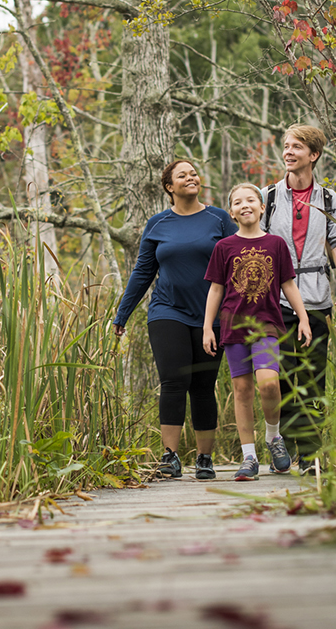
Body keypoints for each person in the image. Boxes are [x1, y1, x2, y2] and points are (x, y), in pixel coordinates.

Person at [113, 159, 236, 481]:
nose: (191, 177)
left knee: (203, 385)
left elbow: (240, 258)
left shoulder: (219, 219)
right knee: (172, 379)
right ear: (169, 187)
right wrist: (122, 313)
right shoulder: (158, 224)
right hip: (167, 310)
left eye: (194, 173)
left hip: (211, 316)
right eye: (183, 175)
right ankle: (170, 456)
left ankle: (204, 458)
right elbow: (142, 272)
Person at [202, 183, 311, 481]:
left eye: (251, 200)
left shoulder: (276, 244)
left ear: (263, 207)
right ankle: (248, 456)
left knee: (269, 385)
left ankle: (273, 437)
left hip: (266, 325)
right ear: (232, 211)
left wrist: (303, 319)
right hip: (233, 326)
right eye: (238, 202)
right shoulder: (224, 247)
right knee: (242, 390)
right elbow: (216, 289)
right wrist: (206, 328)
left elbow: (289, 284)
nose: (245, 205)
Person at [261, 124, 336, 476]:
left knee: (313, 378)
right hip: (276, 300)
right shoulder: (268, 197)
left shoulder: (328, 199)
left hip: (316, 298)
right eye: (285, 146)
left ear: (313, 155)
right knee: (283, 376)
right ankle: (287, 443)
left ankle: (311, 455)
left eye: (296, 147)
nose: (288, 152)